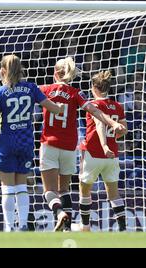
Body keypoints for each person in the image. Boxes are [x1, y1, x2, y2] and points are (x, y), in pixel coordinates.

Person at [0, 54, 65, 232]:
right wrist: (61, 108)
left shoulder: (0, 92)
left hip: (7, 142)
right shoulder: (31, 87)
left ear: (3, 71)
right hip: (26, 142)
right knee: (21, 185)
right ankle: (23, 224)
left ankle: (9, 228)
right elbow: (53, 108)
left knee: (7, 186)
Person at [39, 57, 127, 232]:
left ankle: (62, 215)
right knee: (65, 190)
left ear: (55, 73)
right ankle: (70, 228)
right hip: (71, 147)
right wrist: (114, 124)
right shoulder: (76, 93)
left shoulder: (45, 89)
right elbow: (95, 111)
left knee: (51, 190)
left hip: (53, 144)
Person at [79, 71, 127, 232]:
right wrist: (113, 139)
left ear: (93, 87)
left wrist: (104, 145)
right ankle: (122, 229)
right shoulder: (117, 106)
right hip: (112, 156)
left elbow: (100, 125)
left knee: (85, 191)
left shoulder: (94, 105)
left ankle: (85, 227)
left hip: (94, 153)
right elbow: (123, 129)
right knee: (114, 194)